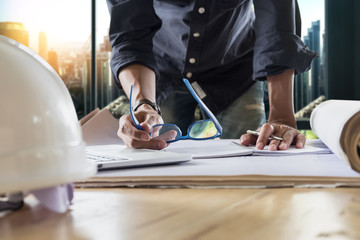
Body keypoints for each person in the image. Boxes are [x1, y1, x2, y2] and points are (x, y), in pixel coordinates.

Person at [106, 0, 317, 150]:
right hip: (161, 72)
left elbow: (277, 26)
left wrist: (281, 116)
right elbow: (130, 36)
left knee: (251, 156)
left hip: (236, 69)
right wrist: (143, 105)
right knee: (156, 153)